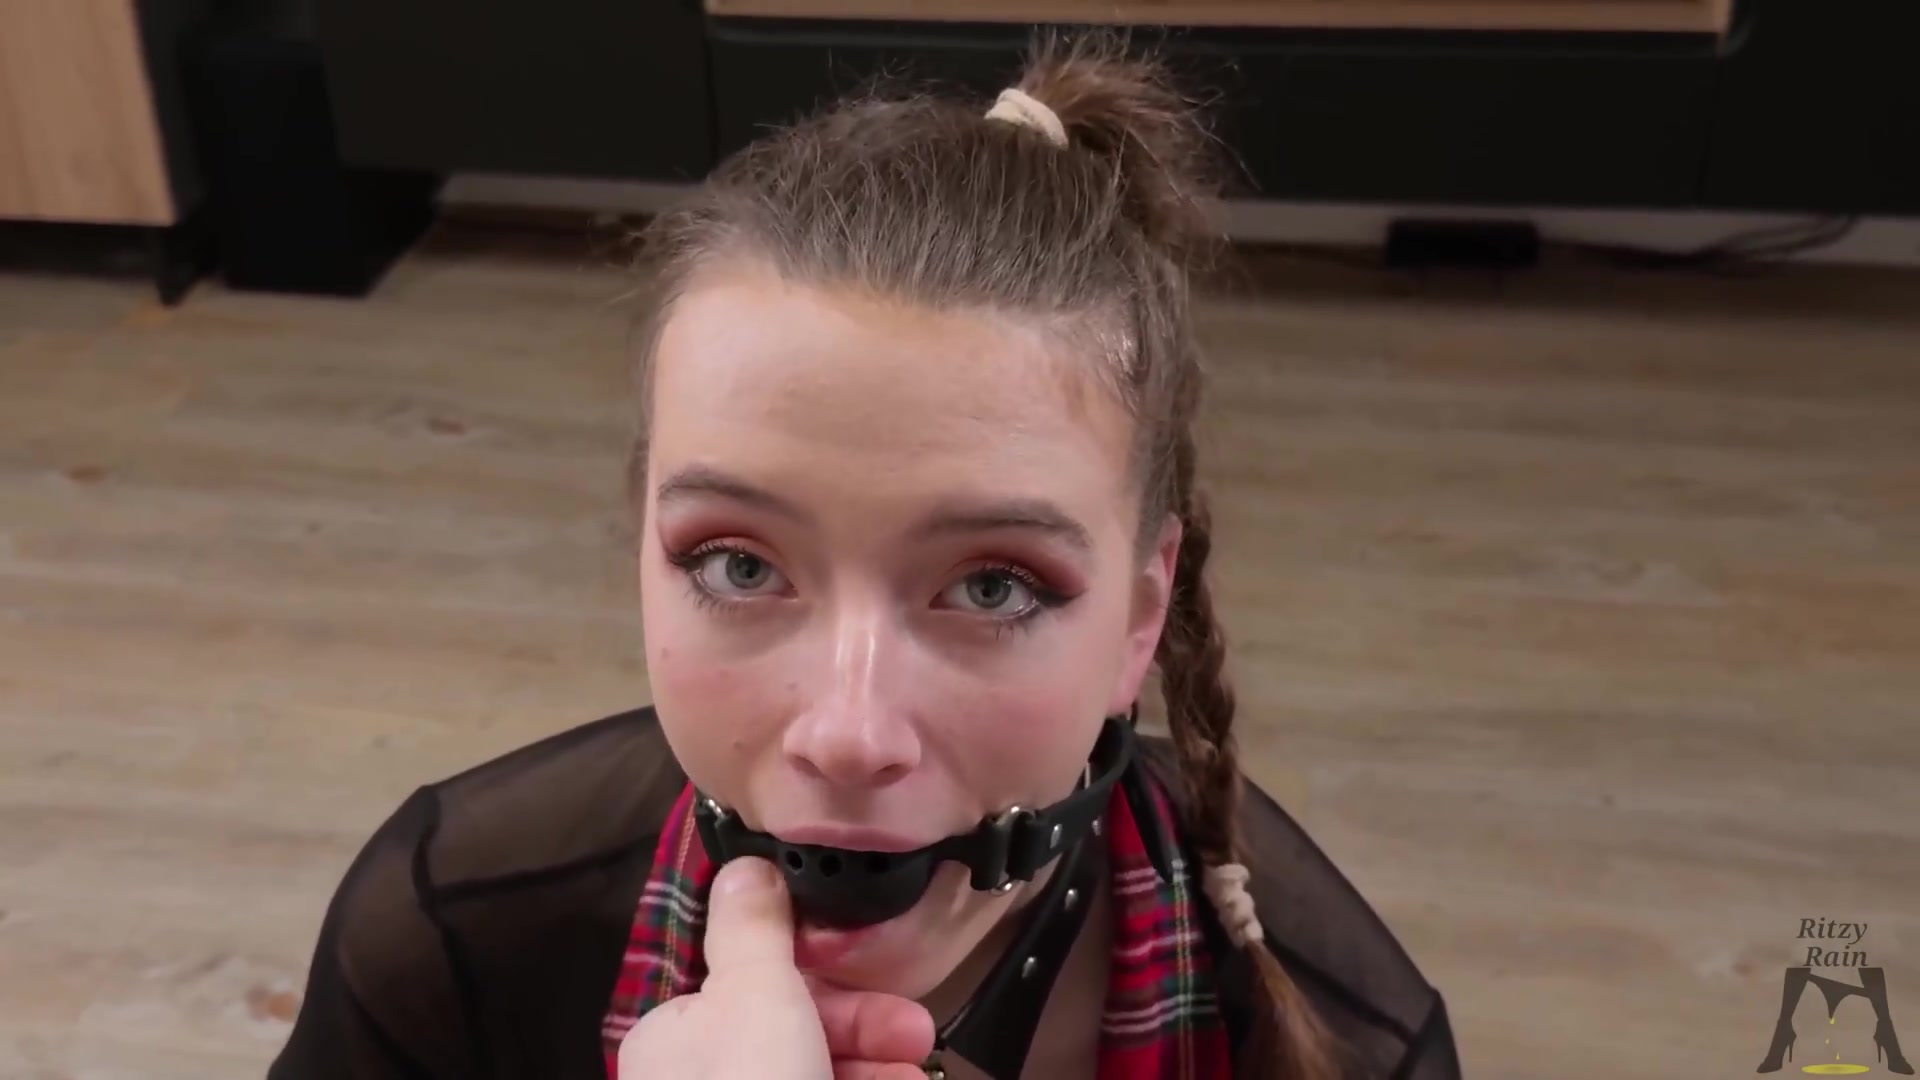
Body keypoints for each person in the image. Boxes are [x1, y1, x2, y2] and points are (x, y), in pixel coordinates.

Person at [268, 32, 1462, 1080]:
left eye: (992, 587)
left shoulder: (1347, 1033)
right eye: (738, 565)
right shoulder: (447, 935)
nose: (846, 735)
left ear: (1140, 618)